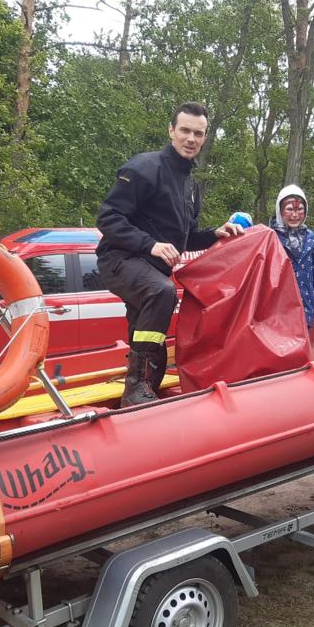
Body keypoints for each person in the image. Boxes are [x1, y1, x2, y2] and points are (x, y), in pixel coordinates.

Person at [96, 101, 244, 407]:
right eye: (185, 131)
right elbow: (108, 219)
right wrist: (150, 244)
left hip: (150, 268)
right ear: (171, 131)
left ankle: (142, 394)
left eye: (198, 134)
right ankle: (136, 386)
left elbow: (185, 239)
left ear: (204, 138)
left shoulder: (191, 186)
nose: (191, 139)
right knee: (162, 292)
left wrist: (214, 233)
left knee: (149, 336)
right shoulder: (143, 168)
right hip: (119, 259)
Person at [271, 184, 314, 330]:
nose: (295, 215)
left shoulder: (313, 239)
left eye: (300, 209)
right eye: (290, 209)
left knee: (303, 343)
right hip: (277, 310)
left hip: (305, 308)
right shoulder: (270, 237)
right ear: (280, 210)